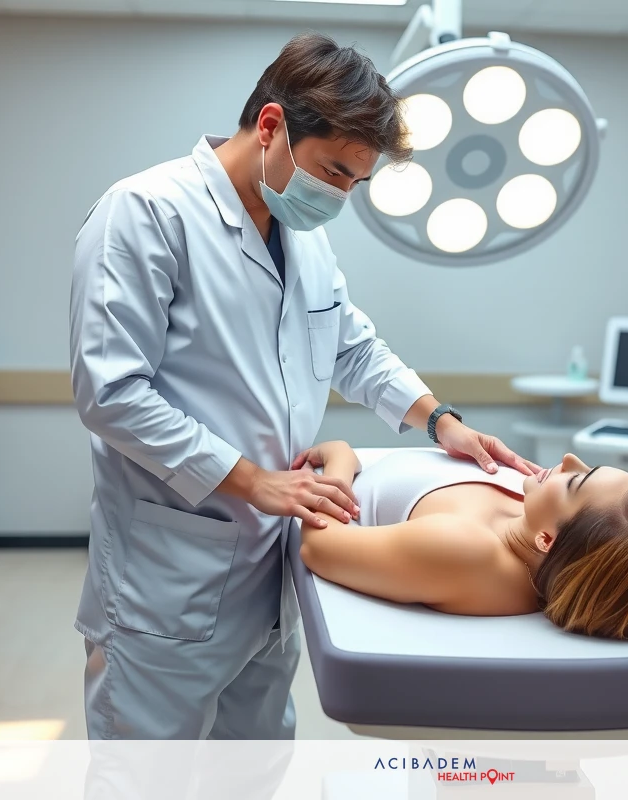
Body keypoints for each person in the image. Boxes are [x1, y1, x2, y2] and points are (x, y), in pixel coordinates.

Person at [68, 32, 538, 742]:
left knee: (254, 770)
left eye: (357, 181)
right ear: (270, 127)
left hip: (273, 572)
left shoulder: (302, 233)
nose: (342, 196)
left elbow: (351, 345)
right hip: (169, 579)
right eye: (334, 172)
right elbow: (112, 394)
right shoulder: (145, 214)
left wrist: (442, 419)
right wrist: (254, 481)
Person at [298, 444, 628, 640]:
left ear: (547, 540)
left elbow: (318, 548)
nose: (570, 458)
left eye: (575, 481)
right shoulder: (534, 515)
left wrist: (339, 462)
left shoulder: (469, 552)